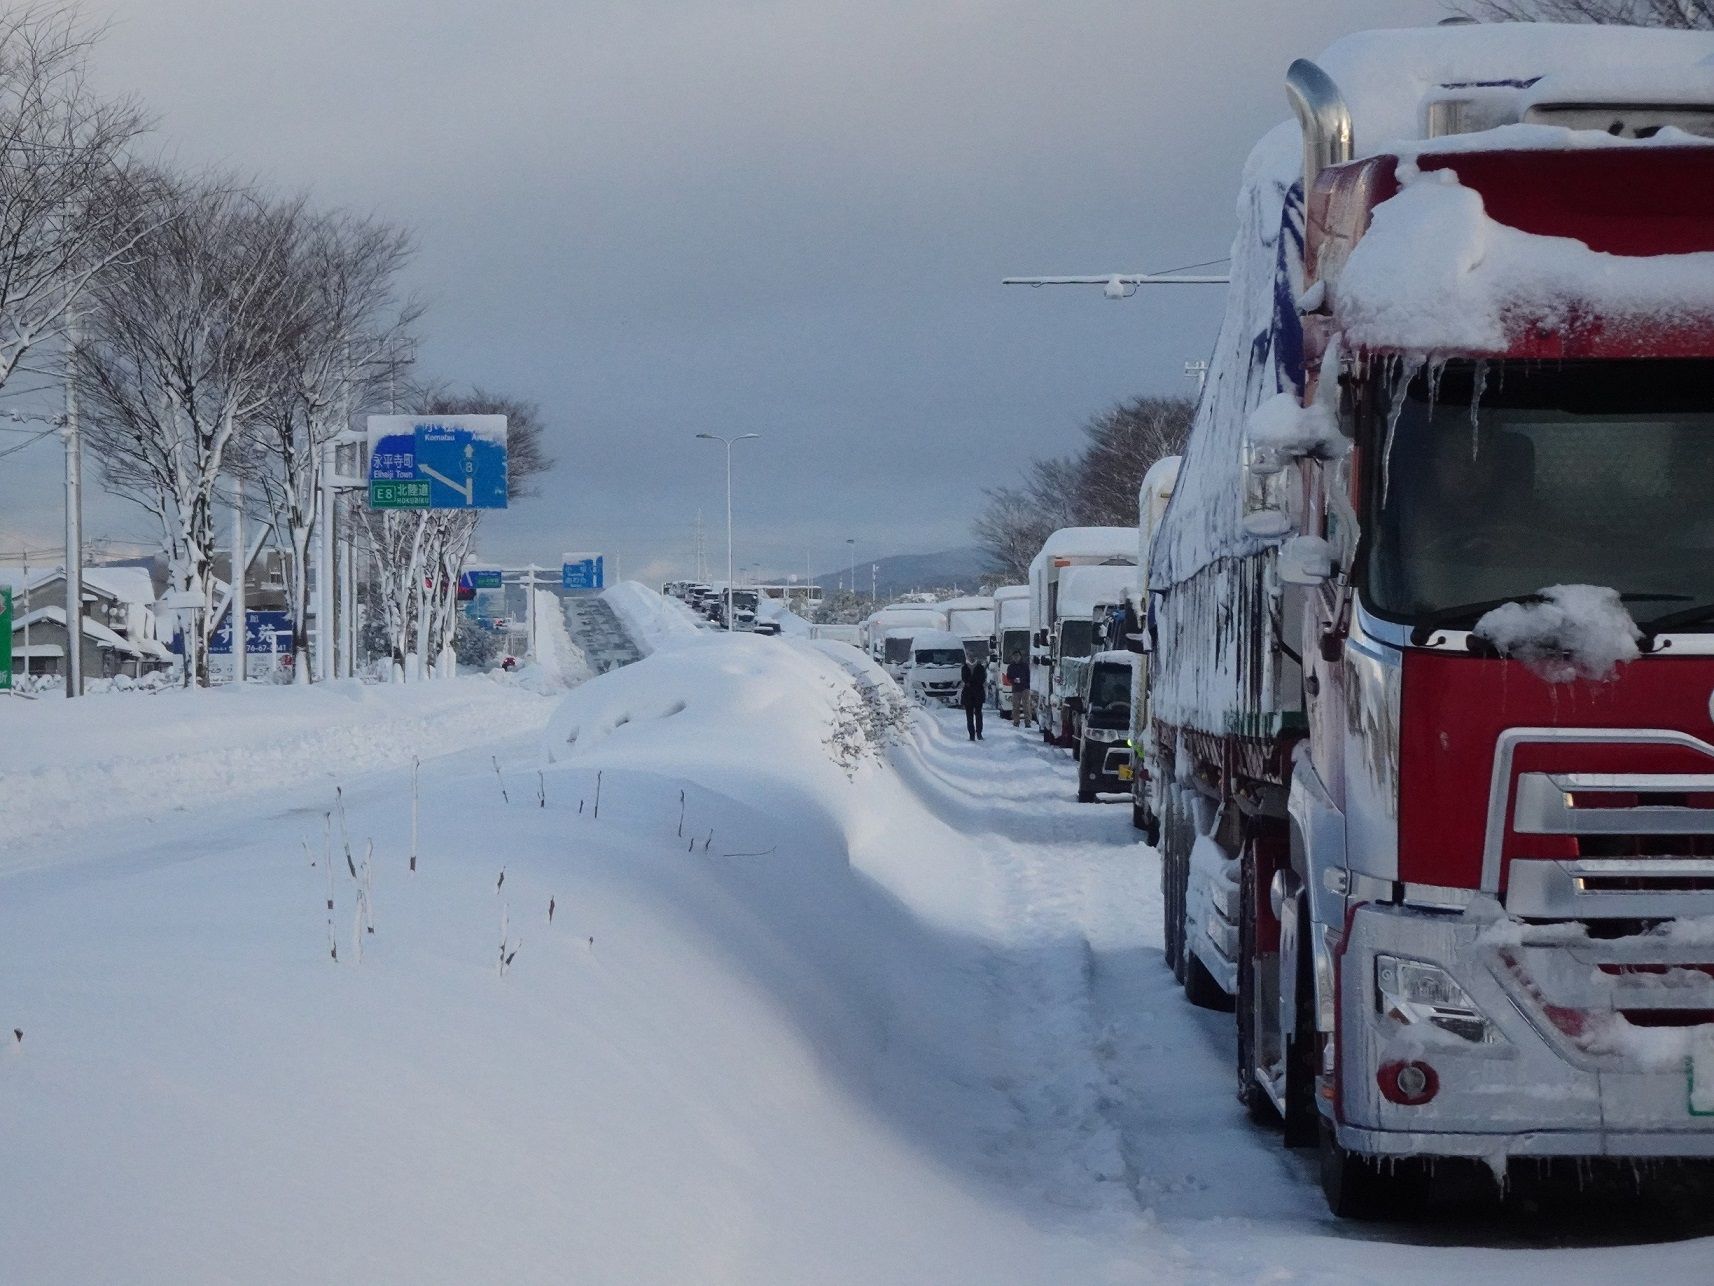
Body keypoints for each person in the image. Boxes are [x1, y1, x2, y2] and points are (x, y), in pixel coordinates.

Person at [960, 655, 987, 741]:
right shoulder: (964, 667)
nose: (971, 659)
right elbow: (964, 678)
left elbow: (982, 679)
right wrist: (971, 681)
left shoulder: (980, 667)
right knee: (969, 715)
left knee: (978, 714)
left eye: (973, 657)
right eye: (970, 657)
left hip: (978, 693)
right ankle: (971, 735)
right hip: (968, 694)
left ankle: (979, 733)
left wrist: (971, 682)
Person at [1005, 651, 1030, 726]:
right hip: (1015, 688)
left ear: (1020, 656)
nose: (1016, 658)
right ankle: (1016, 721)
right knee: (1015, 706)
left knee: (1026, 706)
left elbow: (1028, 676)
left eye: (1017, 656)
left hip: (1025, 688)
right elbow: (1008, 677)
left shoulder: (1025, 665)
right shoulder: (1010, 666)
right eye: (1014, 656)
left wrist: (1022, 681)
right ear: (1012, 657)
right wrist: (1013, 680)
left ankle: (1027, 722)